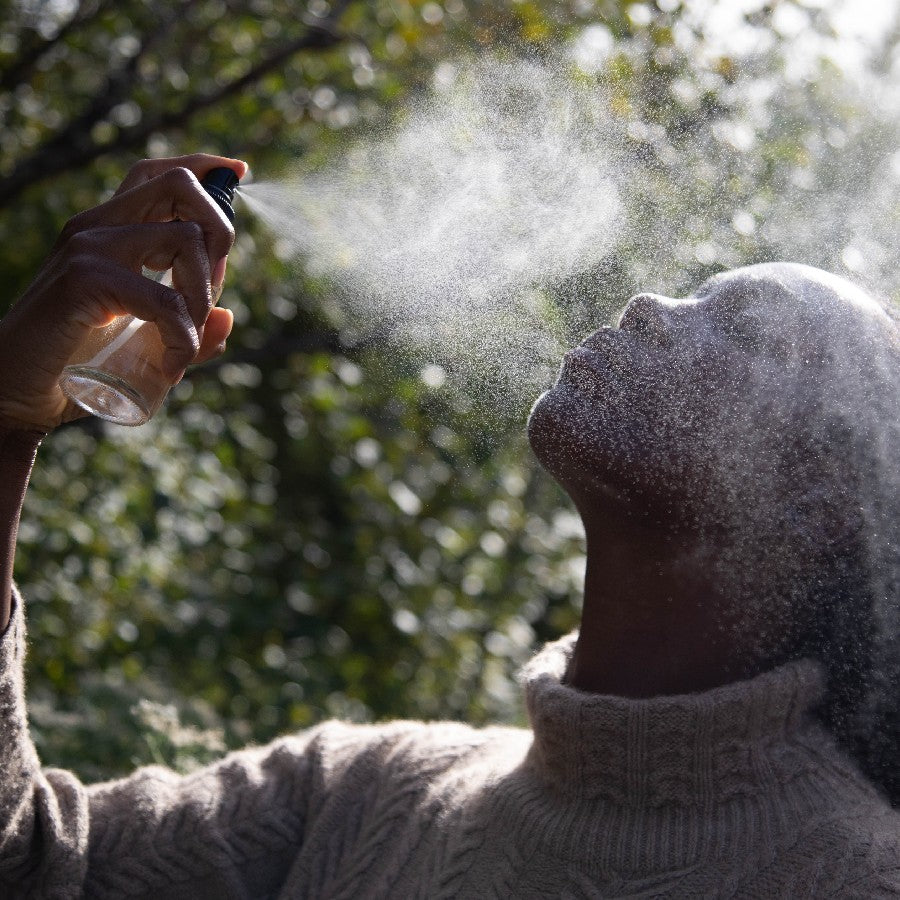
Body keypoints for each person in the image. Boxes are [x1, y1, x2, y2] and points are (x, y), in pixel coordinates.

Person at [0, 155, 897, 898]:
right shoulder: (361, 796)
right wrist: (7, 422)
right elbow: (34, 866)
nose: (651, 305)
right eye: (698, 289)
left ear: (812, 511)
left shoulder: (856, 878)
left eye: (740, 326)